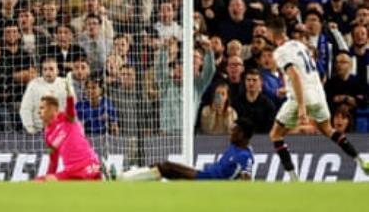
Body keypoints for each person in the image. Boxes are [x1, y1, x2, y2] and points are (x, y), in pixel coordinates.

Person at [267, 18, 369, 180]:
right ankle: (360, 160)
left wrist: (301, 106)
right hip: (318, 94)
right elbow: (307, 72)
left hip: (301, 97)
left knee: (276, 135)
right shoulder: (299, 45)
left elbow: (295, 75)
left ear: (271, 33)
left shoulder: (280, 52)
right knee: (328, 130)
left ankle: (294, 179)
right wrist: (288, 88)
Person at [118, 118, 255, 181]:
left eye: (233, 131)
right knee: (163, 168)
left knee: (166, 168)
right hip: (203, 174)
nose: (230, 133)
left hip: (207, 181)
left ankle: (124, 178)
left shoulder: (244, 155)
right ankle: (130, 176)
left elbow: (246, 178)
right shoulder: (236, 146)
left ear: (242, 134)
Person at [35, 77, 102, 181]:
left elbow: (70, 108)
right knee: (40, 181)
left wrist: (69, 93)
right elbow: (53, 162)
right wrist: (49, 179)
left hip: (87, 165)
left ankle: (100, 174)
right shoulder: (48, 137)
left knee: (92, 181)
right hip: (71, 172)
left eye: (42, 108)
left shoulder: (66, 118)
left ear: (53, 109)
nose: (39, 112)